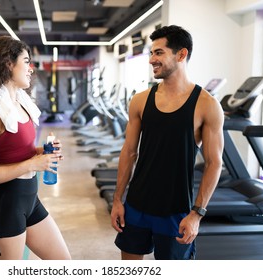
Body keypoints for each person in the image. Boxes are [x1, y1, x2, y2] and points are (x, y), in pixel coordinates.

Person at [110, 25, 224, 260]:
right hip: (136, 205)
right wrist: (117, 200)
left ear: (181, 55)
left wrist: (197, 214)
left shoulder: (207, 105)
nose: (152, 59)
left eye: (159, 53)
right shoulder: (140, 101)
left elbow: (214, 163)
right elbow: (129, 151)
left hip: (176, 210)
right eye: (151, 53)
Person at [0, 36, 71, 260]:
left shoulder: (20, 103)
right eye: (26, 61)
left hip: (29, 199)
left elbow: (17, 151)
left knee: (63, 263)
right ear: (8, 64)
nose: (31, 68)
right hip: (5, 206)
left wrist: (41, 152)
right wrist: (32, 163)